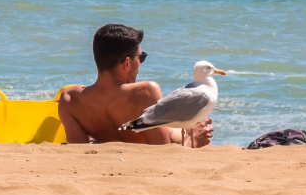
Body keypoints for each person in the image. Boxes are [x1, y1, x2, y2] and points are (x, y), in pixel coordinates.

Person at [57, 24, 213, 146]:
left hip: (106, 137)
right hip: (167, 141)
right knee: (183, 131)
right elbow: (163, 154)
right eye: (140, 57)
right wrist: (193, 141)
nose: (140, 63)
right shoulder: (145, 92)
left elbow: (78, 153)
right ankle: (190, 132)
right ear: (126, 63)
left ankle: (189, 130)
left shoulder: (69, 99)